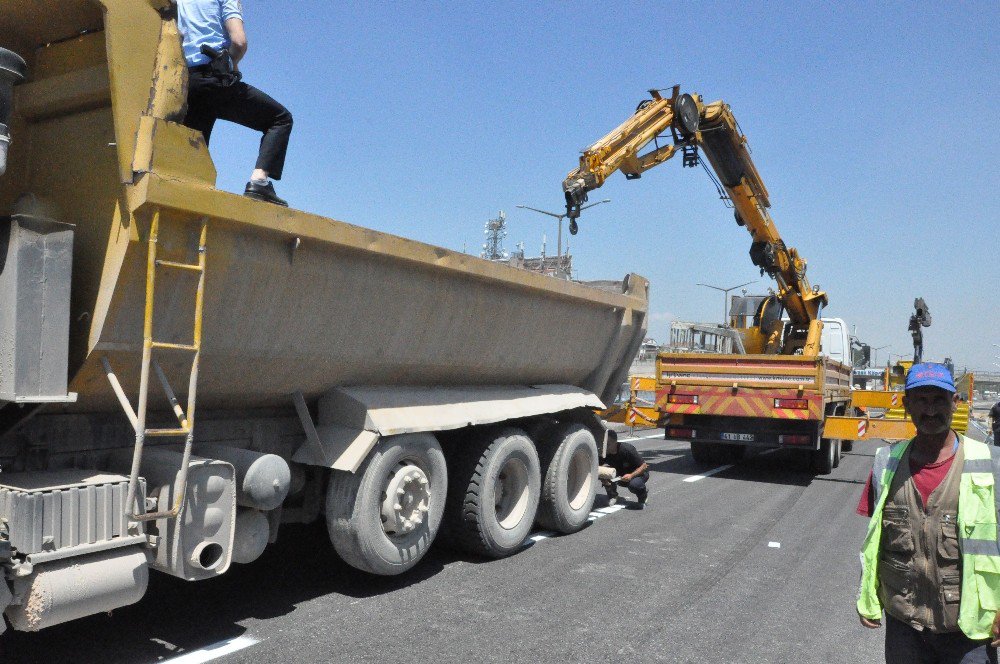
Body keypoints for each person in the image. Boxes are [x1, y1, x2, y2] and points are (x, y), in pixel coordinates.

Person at [856, 362, 1000, 664]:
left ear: (956, 403)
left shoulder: (989, 464)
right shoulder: (886, 463)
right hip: (905, 627)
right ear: (907, 405)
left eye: (939, 400)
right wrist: (868, 598)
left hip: (968, 631)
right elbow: (874, 544)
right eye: (921, 399)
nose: (931, 410)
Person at [176, 0, 293, 206]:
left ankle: (184, 199)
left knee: (193, 159)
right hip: (215, 80)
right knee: (280, 118)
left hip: (188, 84)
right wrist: (232, 64)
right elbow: (239, 42)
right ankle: (260, 182)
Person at [599, 430, 650, 508]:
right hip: (621, 475)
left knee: (634, 485)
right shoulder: (604, 452)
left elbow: (644, 466)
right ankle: (613, 495)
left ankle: (643, 496)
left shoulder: (627, 449)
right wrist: (603, 478)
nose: (605, 446)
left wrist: (631, 475)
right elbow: (598, 467)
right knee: (603, 472)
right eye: (603, 443)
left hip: (638, 474)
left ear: (615, 442)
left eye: (607, 444)